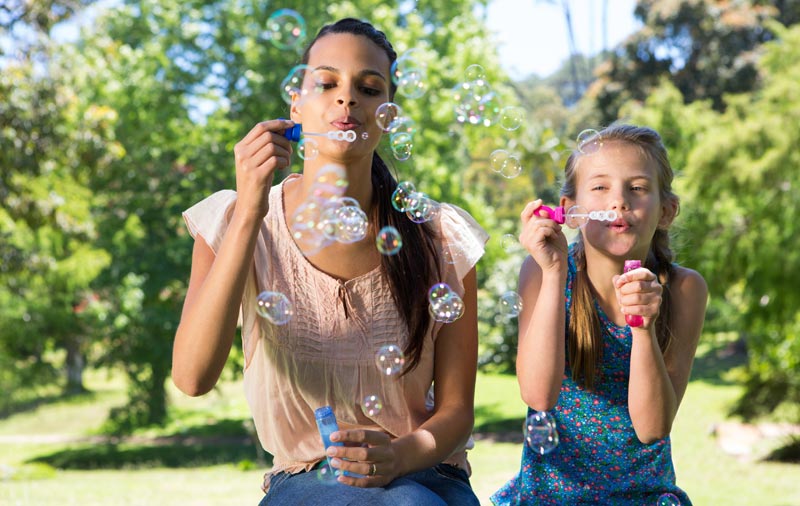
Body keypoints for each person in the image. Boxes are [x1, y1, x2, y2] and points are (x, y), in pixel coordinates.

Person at [172, 17, 487, 506]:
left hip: (427, 474)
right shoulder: (233, 221)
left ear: (387, 113)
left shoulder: (438, 236)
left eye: (368, 87)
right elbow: (193, 377)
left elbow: (457, 412)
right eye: (326, 83)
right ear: (295, 103)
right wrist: (252, 210)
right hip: (307, 479)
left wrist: (400, 456)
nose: (347, 99)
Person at [492, 124, 708, 505]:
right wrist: (555, 272)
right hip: (549, 497)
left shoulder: (684, 289)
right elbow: (539, 396)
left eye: (637, 188)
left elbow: (652, 427)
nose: (619, 202)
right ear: (570, 211)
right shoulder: (542, 272)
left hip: (642, 497)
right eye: (600, 187)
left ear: (666, 210)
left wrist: (643, 327)